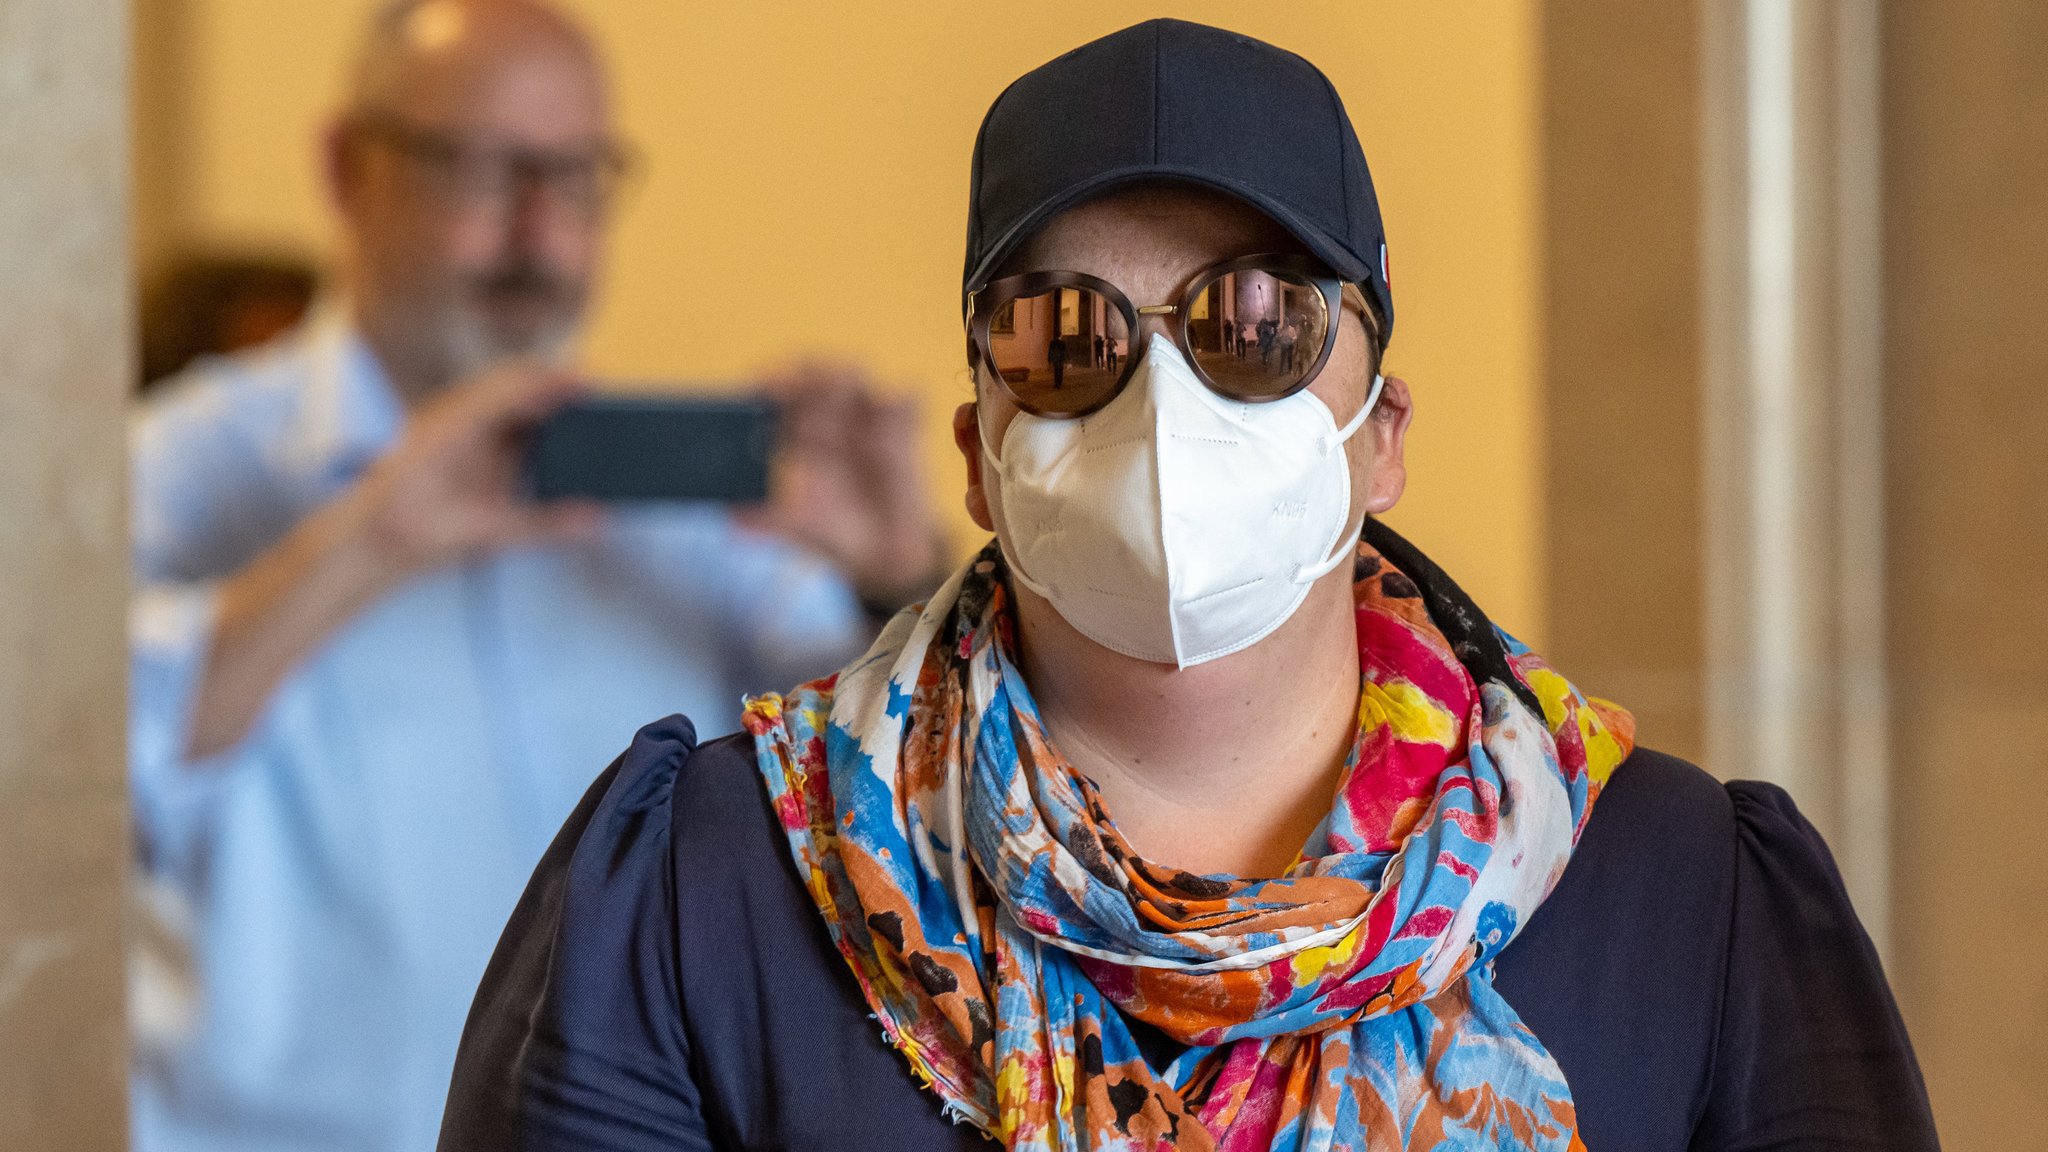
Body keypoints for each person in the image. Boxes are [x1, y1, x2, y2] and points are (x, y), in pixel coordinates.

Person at [440, 20, 1938, 1152]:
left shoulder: (1681, 894)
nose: (1165, 407)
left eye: (1257, 323)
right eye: (1067, 338)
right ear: (980, 447)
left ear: (1382, 433)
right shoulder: (711, 883)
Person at [128, 2, 942, 1151]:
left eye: (575, 177)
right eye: (487, 170)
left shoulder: (683, 510)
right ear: (347, 168)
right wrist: (371, 544)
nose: (540, 234)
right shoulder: (173, 468)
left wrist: (892, 575)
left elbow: (879, 809)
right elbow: (66, 795)